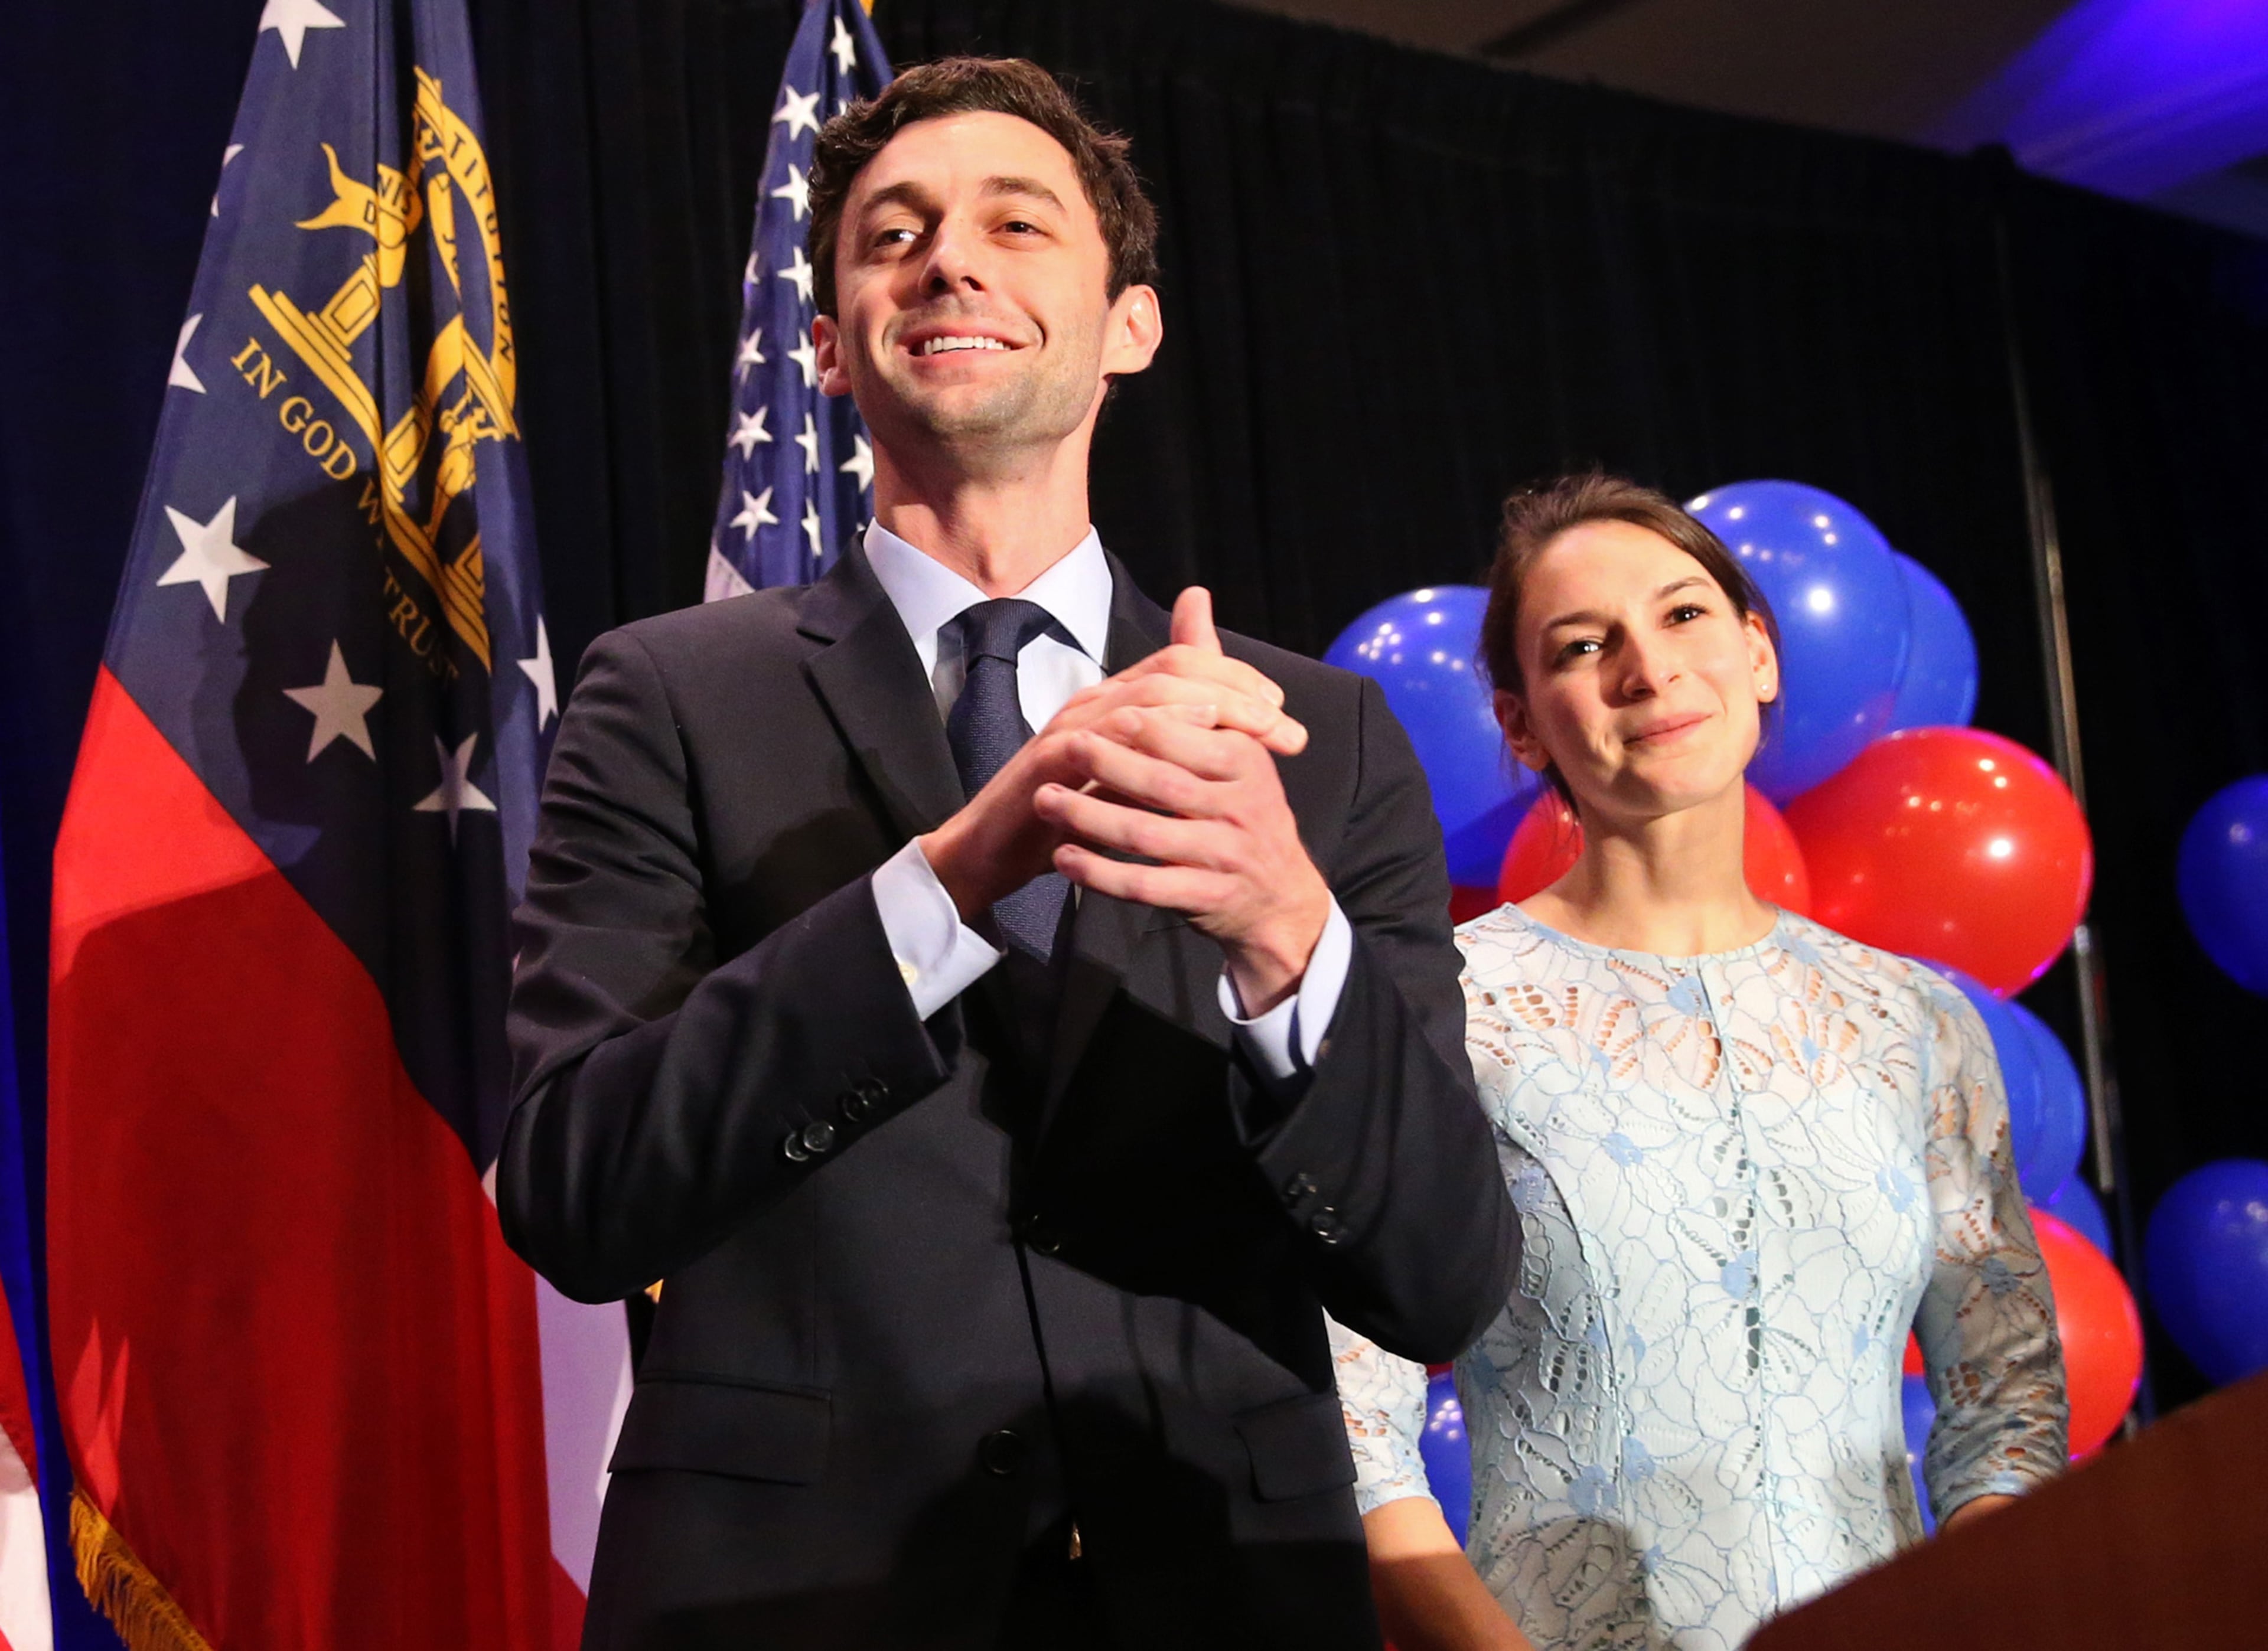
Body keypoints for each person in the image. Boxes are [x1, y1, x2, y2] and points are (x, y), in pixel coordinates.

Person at [499, 57, 1517, 1651]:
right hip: (795, 1604)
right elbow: (577, 1186)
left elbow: (1445, 1269)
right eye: (893, 236)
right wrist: (948, 880)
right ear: (831, 346)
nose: (950, 259)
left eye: (1015, 223)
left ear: (1132, 323)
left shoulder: (1318, 737)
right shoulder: (667, 694)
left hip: (1219, 1588)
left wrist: (1284, 931)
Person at [1332, 474, 2069, 1651]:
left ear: (1760, 653)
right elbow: (1355, 1435)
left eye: (1683, 616)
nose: (1648, 668)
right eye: (1584, 645)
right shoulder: (1438, 1011)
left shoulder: (1915, 1022)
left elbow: (2008, 1396)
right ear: (1522, 725)